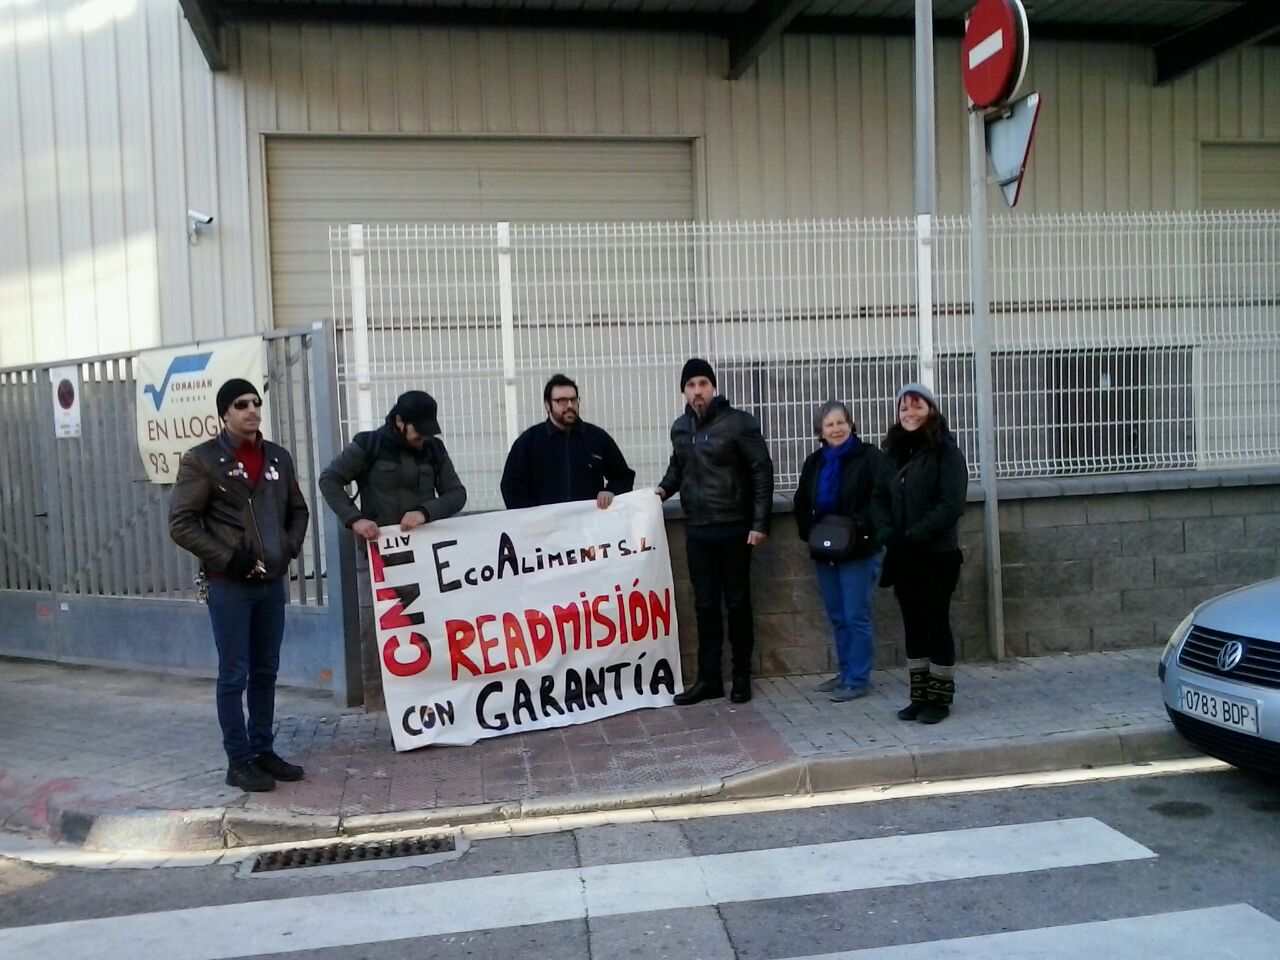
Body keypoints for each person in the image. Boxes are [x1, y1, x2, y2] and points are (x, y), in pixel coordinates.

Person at [169, 378, 310, 793]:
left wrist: (285, 549)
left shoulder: (277, 457)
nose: (252, 410)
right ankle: (239, 760)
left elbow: (298, 511)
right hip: (229, 584)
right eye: (241, 404)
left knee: (267, 669)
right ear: (224, 414)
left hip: (271, 583)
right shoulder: (202, 460)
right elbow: (181, 524)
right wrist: (230, 558)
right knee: (234, 674)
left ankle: (263, 750)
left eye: (255, 403)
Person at [318, 390, 467, 708]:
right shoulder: (368, 445)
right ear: (399, 422)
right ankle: (381, 701)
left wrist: (426, 512)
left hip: (423, 556)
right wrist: (354, 519)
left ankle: (433, 691)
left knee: (429, 622)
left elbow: (456, 494)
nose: (423, 439)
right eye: (418, 432)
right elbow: (329, 479)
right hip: (377, 557)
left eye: (428, 432)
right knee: (381, 627)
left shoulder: (434, 449)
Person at [656, 358, 774, 705]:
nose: (698, 391)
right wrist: (660, 492)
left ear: (713, 387)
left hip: (734, 528)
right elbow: (678, 468)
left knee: (737, 603)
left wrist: (760, 523)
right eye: (691, 385)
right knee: (705, 606)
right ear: (683, 391)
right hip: (697, 532)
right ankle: (709, 679)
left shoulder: (739, 423)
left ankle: (741, 676)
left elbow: (761, 471)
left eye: (703, 384)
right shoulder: (680, 428)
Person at [871, 382, 968, 725]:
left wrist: (912, 536)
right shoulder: (893, 453)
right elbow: (878, 498)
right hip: (903, 556)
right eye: (904, 407)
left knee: (934, 622)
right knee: (912, 625)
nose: (909, 413)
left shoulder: (947, 452)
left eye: (917, 406)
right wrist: (886, 532)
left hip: (937, 555)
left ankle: (939, 699)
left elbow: (951, 505)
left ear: (931, 410)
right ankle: (919, 695)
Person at [793, 401, 884, 703]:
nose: (836, 429)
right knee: (837, 615)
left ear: (851, 425)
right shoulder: (815, 462)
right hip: (826, 549)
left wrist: (860, 526)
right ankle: (845, 673)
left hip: (859, 549)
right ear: (820, 431)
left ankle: (859, 679)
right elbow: (802, 500)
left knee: (856, 615)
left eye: (841, 423)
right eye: (829, 425)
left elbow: (881, 498)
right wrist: (809, 532)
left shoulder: (869, 457)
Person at [500, 374, 635, 509]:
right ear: (547, 405)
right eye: (562, 401)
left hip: (589, 521)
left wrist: (611, 491)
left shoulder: (597, 438)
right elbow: (510, 485)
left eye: (573, 400)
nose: (570, 405)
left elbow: (623, 477)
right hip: (545, 522)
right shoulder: (530, 441)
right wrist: (532, 514)